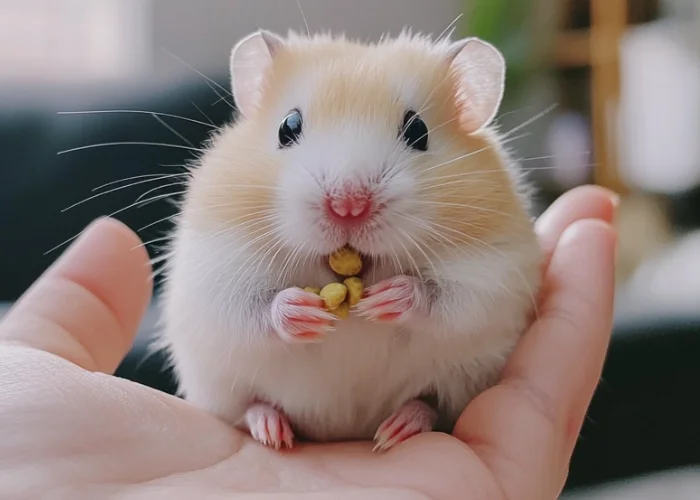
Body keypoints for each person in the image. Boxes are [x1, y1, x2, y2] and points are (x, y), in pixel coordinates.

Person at [0, 185, 617, 499]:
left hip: (418, 394)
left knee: (470, 369)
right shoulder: (227, 200)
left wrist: (428, 301)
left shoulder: (485, 203)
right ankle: (258, 410)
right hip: (262, 400)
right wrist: (268, 315)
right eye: (292, 129)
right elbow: (204, 309)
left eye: (414, 135)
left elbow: (496, 301)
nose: (347, 201)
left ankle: (424, 410)